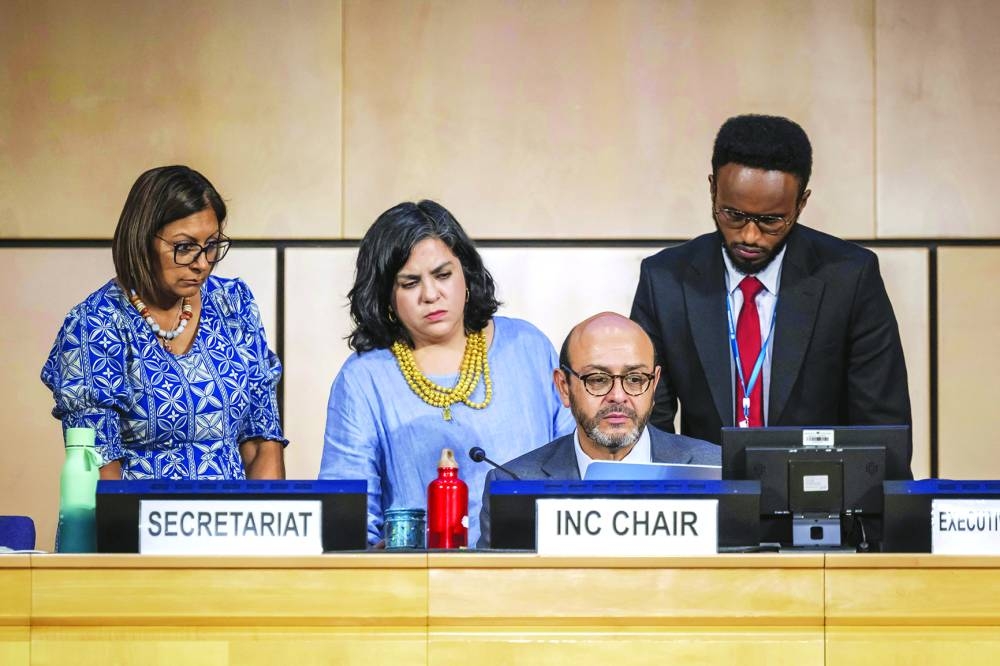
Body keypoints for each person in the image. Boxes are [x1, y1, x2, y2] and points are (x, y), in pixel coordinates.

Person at [630, 114, 912, 449]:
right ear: (712, 190)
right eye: (733, 215)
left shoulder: (849, 279)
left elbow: (881, 428)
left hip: (818, 493)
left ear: (801, 204)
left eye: (771, 221)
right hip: (707, 490)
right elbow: (647, 424)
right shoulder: (665, 281)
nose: (749, 235)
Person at [319, 200, 573, 547]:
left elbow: (573, 471)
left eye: (442, 275)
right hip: (416, 583)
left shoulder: (528, 346)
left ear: (466, 274)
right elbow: (350, 519)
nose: (430, 294)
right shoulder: (364, 378)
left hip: (534, 572)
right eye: (410, 283)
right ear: (386, 298)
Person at [41, 166, 287, 480]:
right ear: (142, 239)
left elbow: (262, 441)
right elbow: (100, 470)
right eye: (184, 247)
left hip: (232, 524)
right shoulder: (96, 324)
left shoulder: (232, 304)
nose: (201, 264)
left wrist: (261, 526)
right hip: (139, 523)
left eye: (211, 246)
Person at [478, 312, 719, 548]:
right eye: (597, 379)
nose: (618, 396)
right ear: (564, 387)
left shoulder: (717, 469)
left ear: (654, 384)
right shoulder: (514, 484)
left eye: (635, 379)